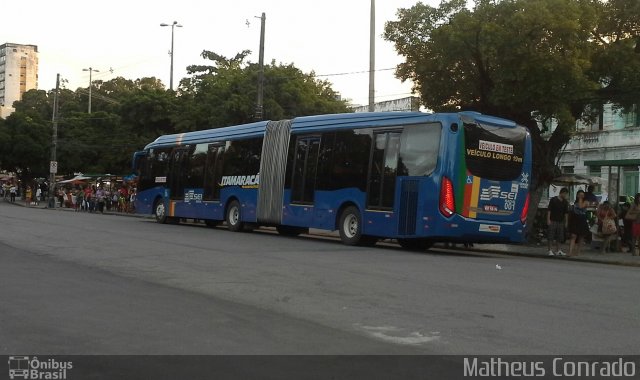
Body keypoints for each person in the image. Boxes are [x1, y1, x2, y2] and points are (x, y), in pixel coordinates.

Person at [547, 187, 569, 256]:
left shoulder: (565, 202)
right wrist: (548, 219)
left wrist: (566, 222)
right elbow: (549, 210)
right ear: (562, 193)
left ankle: (558, 250)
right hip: (553, 220)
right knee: (551, 235)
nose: (565, 195)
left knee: (560, 236)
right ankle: (550, 250)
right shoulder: (553, 200)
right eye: (565, 194)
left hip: (560, 221)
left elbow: (566, 213)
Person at [568, 190, 590, 257]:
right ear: (577, 195)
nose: (581, 196)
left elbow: (580, 206)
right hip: (575, 220)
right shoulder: (575, 202)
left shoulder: (586, 202)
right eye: (579, 195)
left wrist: (580, 199)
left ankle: (578, 252)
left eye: (582, 195)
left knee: (581, 236)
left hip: (582, 220)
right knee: (573, 236)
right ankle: (570, 252)